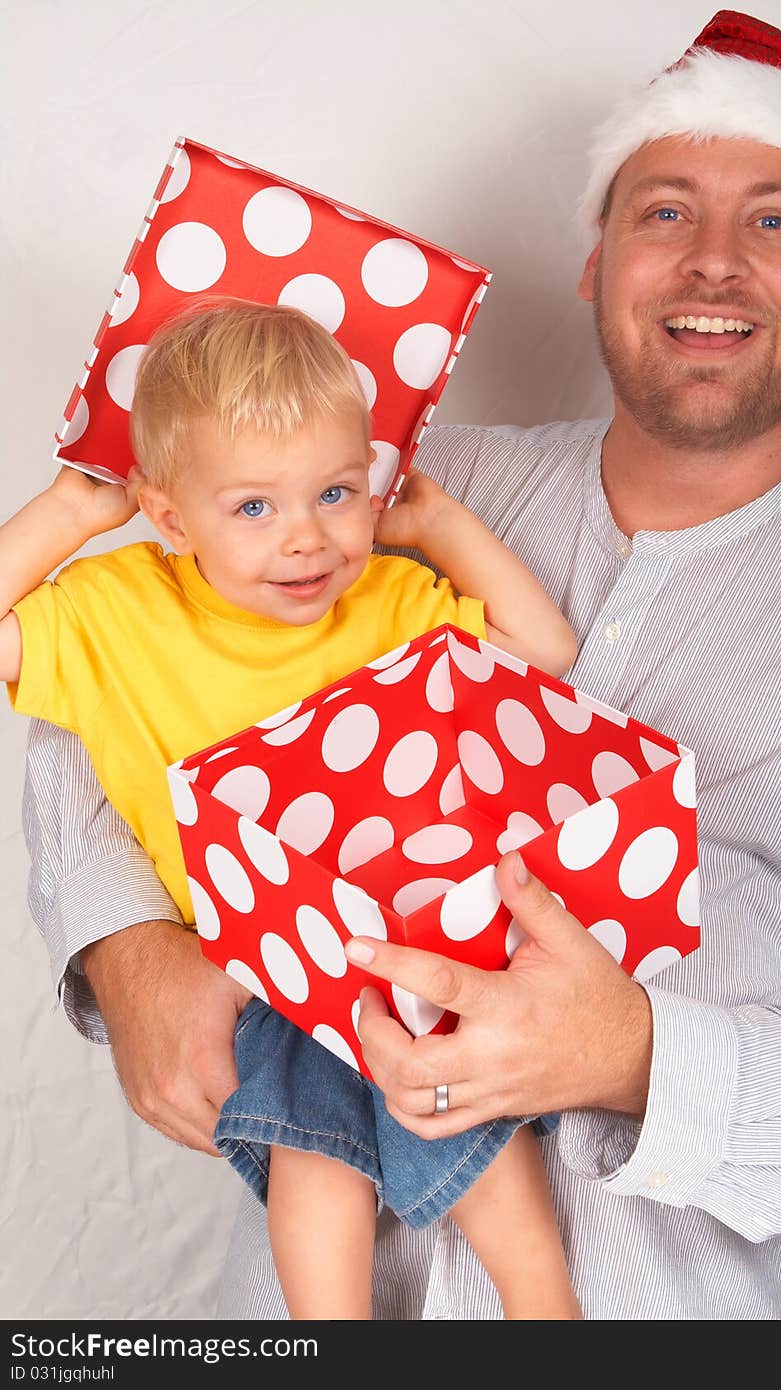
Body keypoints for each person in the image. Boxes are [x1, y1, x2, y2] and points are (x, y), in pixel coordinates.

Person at [22, 9, 781, 1318]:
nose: (711, 262)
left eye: (773, 218)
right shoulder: (392, 494)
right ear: (595, 262)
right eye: (663, 212)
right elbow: (123, 666)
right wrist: (132, 941)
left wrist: (636, 1053)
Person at [3, 299, 581, 1319]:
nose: (307, 539)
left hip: (418, 942)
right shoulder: (118, 611)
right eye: (254, 507)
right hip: (263, 964)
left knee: (482, 1140)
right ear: (171, 515)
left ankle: (551, 1320)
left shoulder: (391, 598)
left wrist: (436, 522)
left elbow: (547, 656)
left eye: (335, 492)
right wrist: (72, 512)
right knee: (314, 1158)